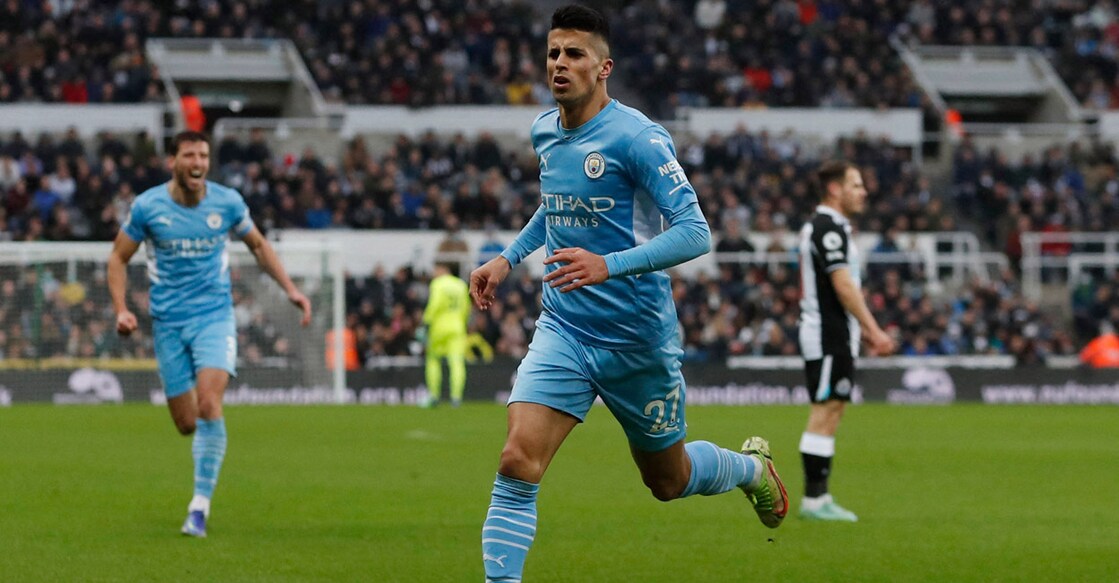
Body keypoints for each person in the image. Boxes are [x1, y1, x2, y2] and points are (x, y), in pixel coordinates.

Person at [469, 6, 786, 581]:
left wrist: (608, 265)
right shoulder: (546, 130)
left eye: (574, 54)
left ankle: (750, 470)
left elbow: (696, 232)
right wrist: (508, 257)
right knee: (517, 460)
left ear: (603, 67)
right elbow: (558, 205)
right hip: (564, 327)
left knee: (668, 480)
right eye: (553, 53)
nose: (560, 64)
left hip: (636, 339)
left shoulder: (638, 137)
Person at [107, 130, 312, 538]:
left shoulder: (228, 202)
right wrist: (122, 309)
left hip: (215, 317)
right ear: (173, 162)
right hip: (167, 323)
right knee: (186, 422)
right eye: (188, 155)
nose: (197, 161)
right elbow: (117, 257)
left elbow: (258, 246)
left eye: (202, 154)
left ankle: (198, 507)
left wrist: (290, 289)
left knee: (208, 402)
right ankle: (203, 462)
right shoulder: (148, 207)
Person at [796, 161, 896, 522]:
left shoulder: (832, 228)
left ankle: (818, 499)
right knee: (825, 411)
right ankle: (814, 500)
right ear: (835, 189)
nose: (863, 191)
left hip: (836, 334)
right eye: (856, 184)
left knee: (833, 409)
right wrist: (874, 330)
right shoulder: (826, 229)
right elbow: (843, 285)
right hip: (827, 334)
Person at [421, 261, 470, 407]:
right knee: (456, 362)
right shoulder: (461, 285)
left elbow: (434, 304)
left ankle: (434, 396)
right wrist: (461, 323)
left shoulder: (438, 284)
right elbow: (466, 307)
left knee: (433, 360)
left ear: (443, 269)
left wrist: (426, 321)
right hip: (457, 327)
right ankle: (456, 397)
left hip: (439, 327)